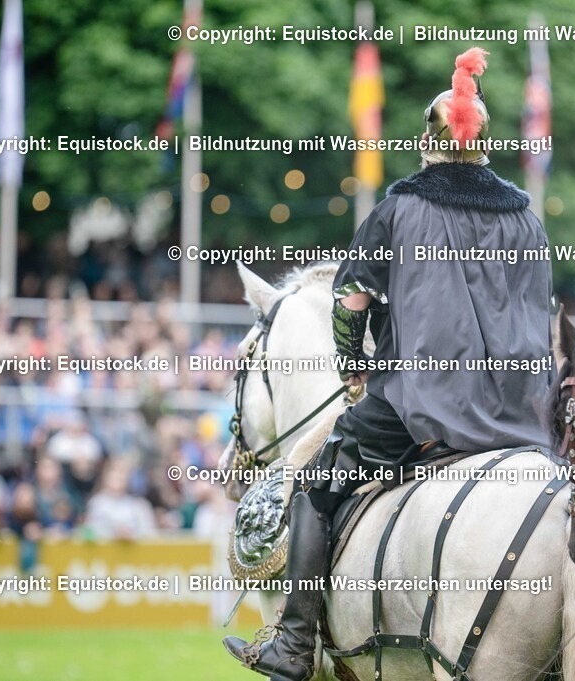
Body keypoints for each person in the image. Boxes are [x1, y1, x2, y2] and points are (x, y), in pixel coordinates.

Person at [223, 47, 555, 680]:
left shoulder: (400, 208)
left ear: (428, 144)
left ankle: (294, 642)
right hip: (526, 416)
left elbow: (349, 306)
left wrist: (352, 369)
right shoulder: (527, 220)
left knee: (317, 484)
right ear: (482, 147)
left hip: (421, 405)